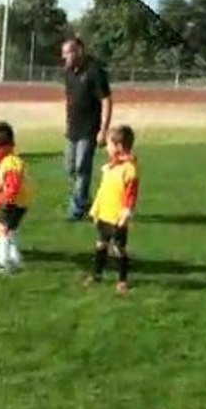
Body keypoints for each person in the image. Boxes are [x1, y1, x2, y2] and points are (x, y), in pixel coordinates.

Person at [62, 37, 113, 221]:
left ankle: (76, 210)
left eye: (68, 52)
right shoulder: (68, 72)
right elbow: (69, 99)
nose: (65, 57)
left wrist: (103, 130)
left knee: (82, 168)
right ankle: (85, 202)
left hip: (89, 129)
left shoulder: (94, 71)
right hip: (72, 129)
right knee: (69, 168)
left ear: (79, 51)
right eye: (64, 53)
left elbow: (106, 100)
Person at [86, 125, 139, 294]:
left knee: (118, 249)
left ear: (119, 146)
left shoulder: (129, 169)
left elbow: (131, 194)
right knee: (101, 245)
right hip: (105, 214)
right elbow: (103, 191)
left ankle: (122, 280)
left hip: (117, 217)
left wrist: (126, 213)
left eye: (108, 144)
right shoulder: (110, 167)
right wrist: (96, 209)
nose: (106, 147)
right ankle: (96, 274)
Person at [0, 122, 34, 275]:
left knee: (1, 230)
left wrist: (0, 198)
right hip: (21, 201)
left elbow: (13, 187)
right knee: (10, 231)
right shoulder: (10, 161)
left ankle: (3, 263)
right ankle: (15, 260)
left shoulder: (10, 164)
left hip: (15, 202)